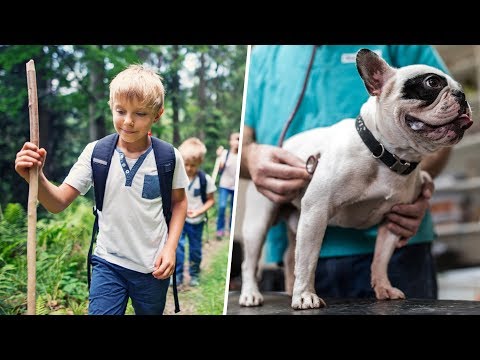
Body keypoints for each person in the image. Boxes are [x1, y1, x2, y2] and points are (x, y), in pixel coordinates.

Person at [241, 45, 452, 299]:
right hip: (297, 246)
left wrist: (412, 182)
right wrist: (250, 156)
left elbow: (442, 114)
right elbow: (241, 141)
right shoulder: (262, 57)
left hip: (399, 250)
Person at [14, 64, 189, 315]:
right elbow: (57, 203)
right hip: (108, 263)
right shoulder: (96, 153)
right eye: (121, 111)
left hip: (152, 268)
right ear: (111, 106)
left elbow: (180, 203)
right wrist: (35, 177)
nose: (128, 121)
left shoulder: (168, 158)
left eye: (140, 113)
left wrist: (170, 248)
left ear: (157, 115)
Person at [175, 137, 216, 287]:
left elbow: (211, 200)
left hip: (196, 222)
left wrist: (199, 211)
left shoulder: (205, 180)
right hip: (179, 220)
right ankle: (177, 275)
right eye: (186, 164)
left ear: (199, 163)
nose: (189, 168)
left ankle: (194, 274)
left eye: (193, 165)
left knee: (195, 249)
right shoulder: (176, 178)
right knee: (177, 248)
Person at [215, 132, 240, 240]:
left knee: (233, 209)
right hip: (224, 185)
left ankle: (230, 229)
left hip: (235, 187)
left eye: (239, 139)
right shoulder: (225, 153)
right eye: (235, 139)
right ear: (230, 141)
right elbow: (220, 169)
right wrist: (220, 157)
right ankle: (219, 229)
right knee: (222, 206)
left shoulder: (241, 156)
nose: (237, 142)